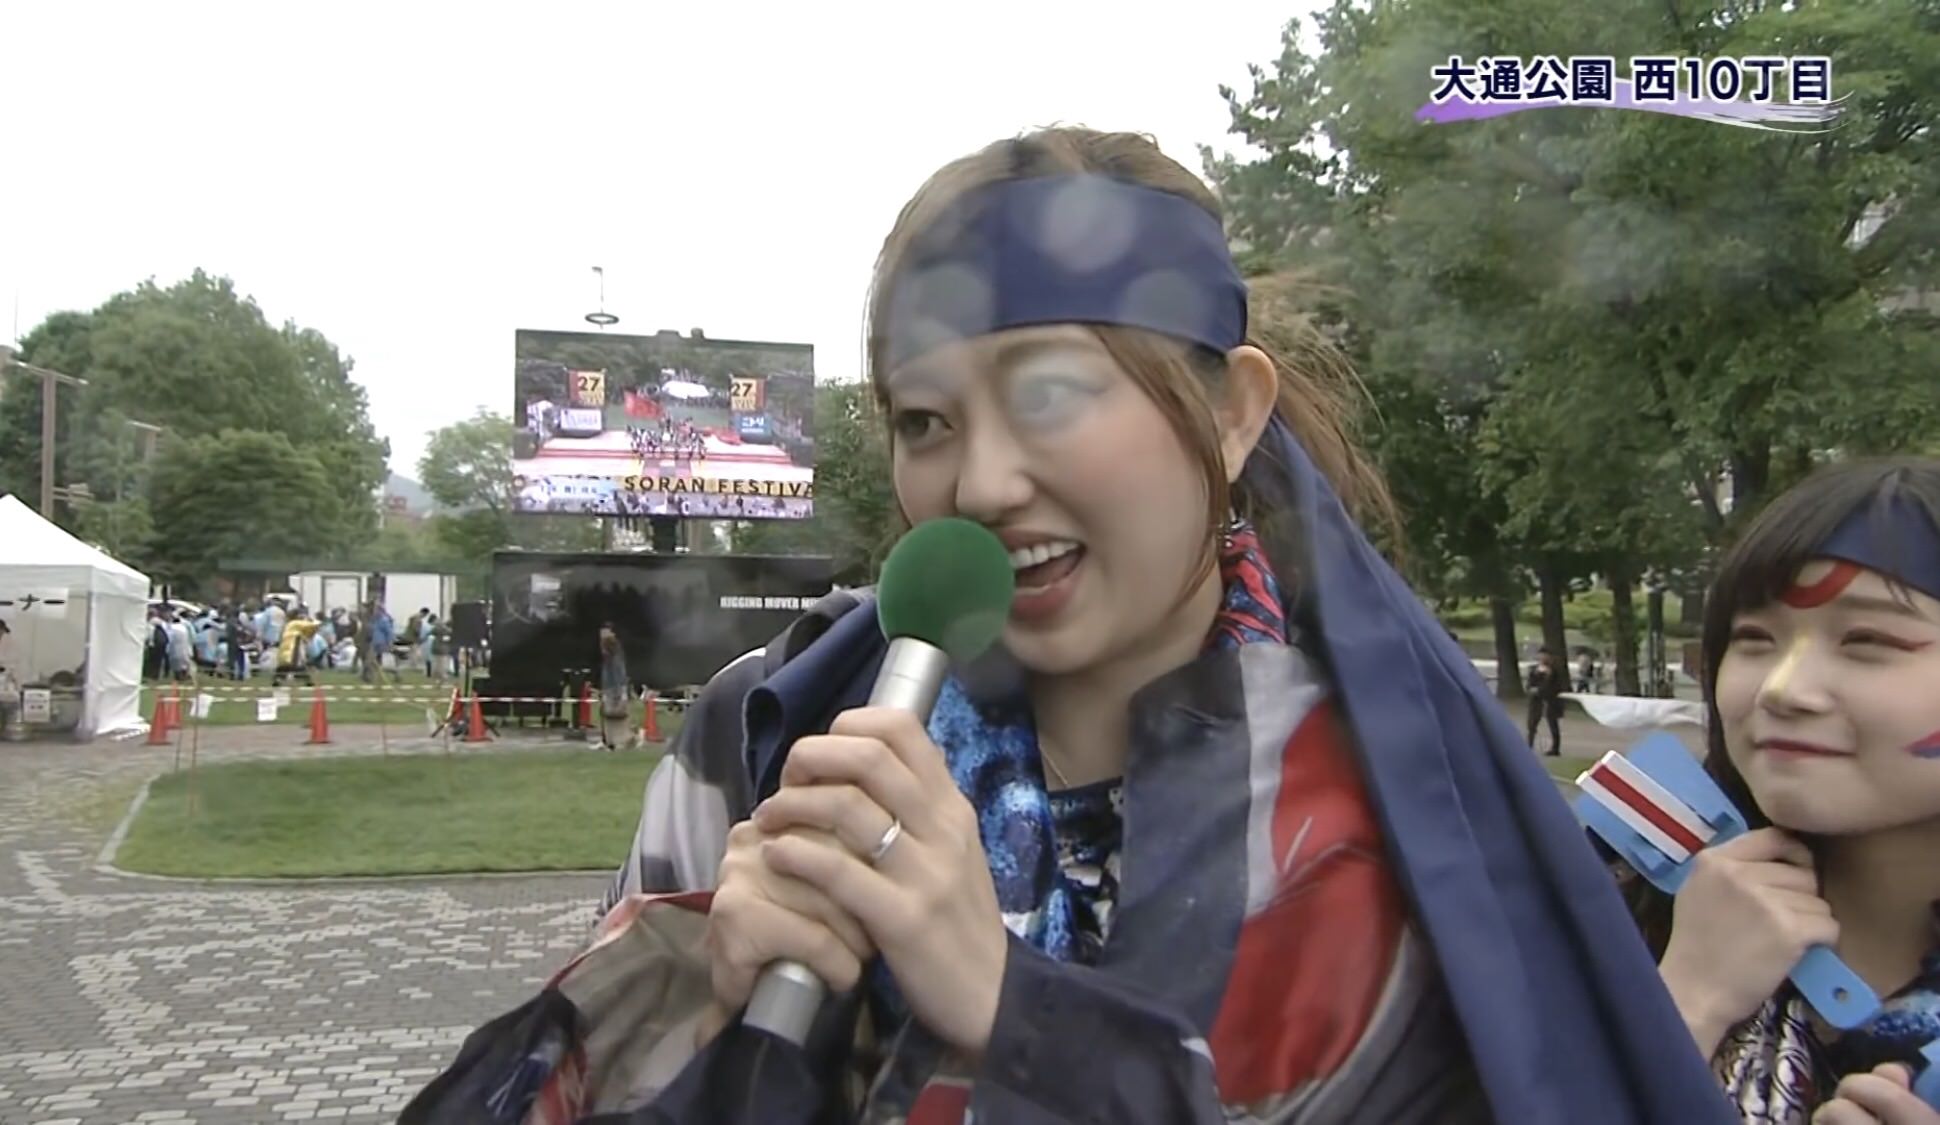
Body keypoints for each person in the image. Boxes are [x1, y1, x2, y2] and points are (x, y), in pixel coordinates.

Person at [412, 128, 1732, 1125]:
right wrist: (708, 1004)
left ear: (1230, 413)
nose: (981, 483)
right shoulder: (770, 732)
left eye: (1048, 395)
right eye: (925, 420)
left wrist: (1013, 1012)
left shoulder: (1394, 823)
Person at [1631, 459, 1940, 1125]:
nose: (1782, 689)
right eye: (1754, 639)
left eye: (1868, 640)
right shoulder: (1603, 900)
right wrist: (1688, 1000)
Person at [597, 622, 633, 751]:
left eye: (605, 632)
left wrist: (621, 691)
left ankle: (623, 739)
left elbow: (619, 670)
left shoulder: (614, 649)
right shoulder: (607, 650)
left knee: (617, 715)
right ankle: (608, 741)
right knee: (607, 714)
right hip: (609, 686)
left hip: (614, 687)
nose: (602, 635)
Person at [1527, 645, 1566, 754]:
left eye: (1545, 656)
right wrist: (1532, 689)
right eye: (1541, 655)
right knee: (1532, 724)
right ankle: (1529, 745)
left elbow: (1556, 686)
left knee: (1553, 724)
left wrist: (1547, 680)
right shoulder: (1534, 670)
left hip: (1550, 700)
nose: (1543, 657)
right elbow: (1530, 683)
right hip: (1536, 700)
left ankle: (1555, 748)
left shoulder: (1554, 671)